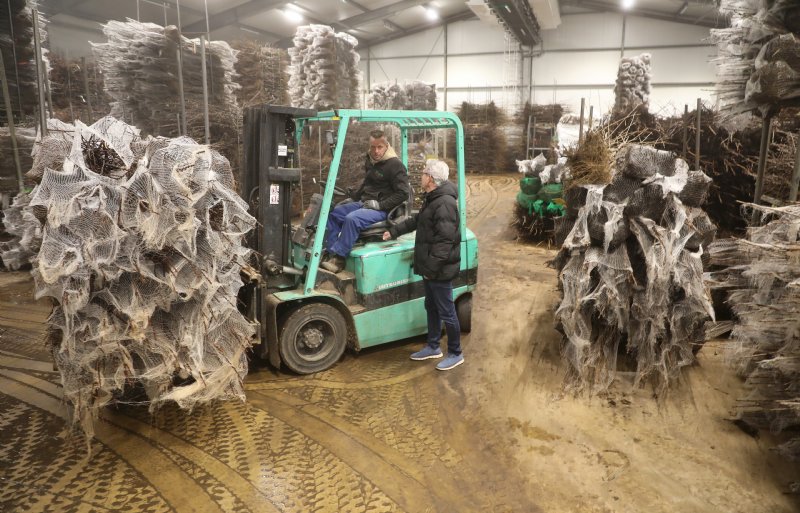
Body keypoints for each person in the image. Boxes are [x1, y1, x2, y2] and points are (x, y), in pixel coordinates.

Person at [382, 159, 463, 371]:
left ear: (431, 179)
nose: (421, 176)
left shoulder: (444, 203)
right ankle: (433, 346)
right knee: (432, 306)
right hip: (431, 270)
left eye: (424, 173)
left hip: (439, 270)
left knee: (447, 311)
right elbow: (417, 221)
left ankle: (456, 353)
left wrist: (431, 270)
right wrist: (394, 231)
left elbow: (445, 242)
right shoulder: (432, 198)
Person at [321, 129, 411, 273]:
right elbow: (368, 184)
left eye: (379, 147)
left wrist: (380, 205)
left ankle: (339, 259)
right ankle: (331, 251)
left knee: (352, 219)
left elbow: (403, 193)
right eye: (373, 147)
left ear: (386, 145)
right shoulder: (371, 160)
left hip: (383, 209)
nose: (376, 151)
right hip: (365, 203)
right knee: (334, 214)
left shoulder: (395, 165)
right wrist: (354, 196)